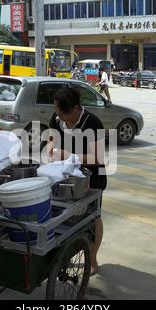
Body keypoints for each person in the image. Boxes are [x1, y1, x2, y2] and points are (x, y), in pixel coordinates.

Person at [47, 87, 107, 276]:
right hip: (64, 178)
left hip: (91, 179)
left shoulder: (92, 123)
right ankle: (64, 255)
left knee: (92, 218)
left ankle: (92, 259)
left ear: (74, 109)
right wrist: (50, 150)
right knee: (65, 218)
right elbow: (51, 138)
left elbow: (97, 158)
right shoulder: (57, 119)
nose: (57, 115)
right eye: (56, 110)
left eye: (61, 112)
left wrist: (68, 156)